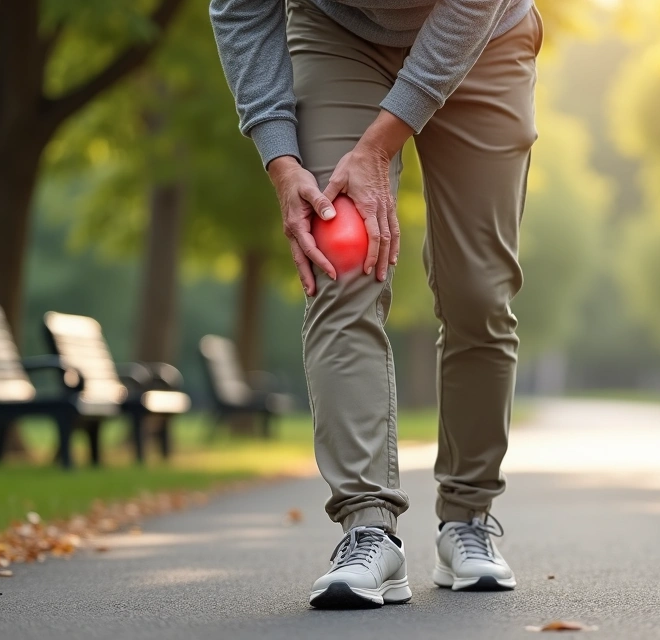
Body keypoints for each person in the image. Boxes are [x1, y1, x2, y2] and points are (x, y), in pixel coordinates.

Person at [209, 0, 541, 610]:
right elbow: (240, 8)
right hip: (340, 36)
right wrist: (281, 160)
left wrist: (380, 144)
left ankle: (466, 518)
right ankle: (368, 526)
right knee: (341, 266)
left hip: (484, 38)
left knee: (478, 293)